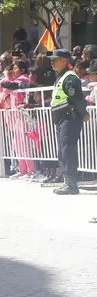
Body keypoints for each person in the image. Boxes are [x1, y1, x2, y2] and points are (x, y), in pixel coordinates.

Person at [50, 49, 89, 195]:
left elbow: (77, 98)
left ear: (64, 61)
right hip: (62, 118)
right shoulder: (61, 76)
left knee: (68, 150)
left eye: (55, 59)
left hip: (69, 117)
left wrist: (83, 113)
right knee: (63, 150)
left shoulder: (70, 78)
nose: (52, 62)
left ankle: (71, 184)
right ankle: (67, 182)